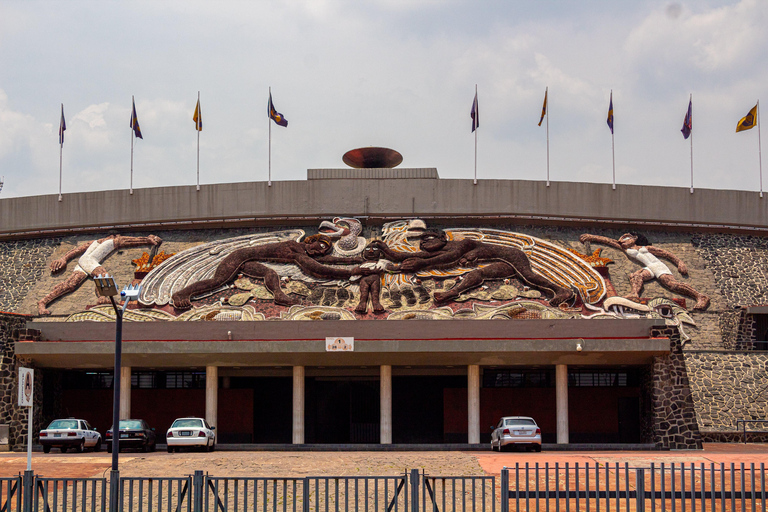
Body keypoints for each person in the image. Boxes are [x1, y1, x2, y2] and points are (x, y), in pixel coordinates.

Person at [372, 230, 574, 306]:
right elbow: (407, 255)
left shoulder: (463, 243)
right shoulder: (435, 253)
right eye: (422, 242)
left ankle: (561, 291)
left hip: (512, 256)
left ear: (442, 238)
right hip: (499, 265)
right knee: (479, 273)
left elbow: (453, 256)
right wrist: (384, 248)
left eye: (428, 239)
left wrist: (423, 263)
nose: (424, 245)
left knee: (528, 277)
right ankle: (451, 293)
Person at [171, 234, 373, 309]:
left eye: (323, 250)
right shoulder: (296, 249)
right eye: (319, 246)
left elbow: (330, 260)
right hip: (239, 257)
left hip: (249, 262)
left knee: (270, 274)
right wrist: (351, 272)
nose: (320, 251)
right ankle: (181, 293)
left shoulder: (304, 252)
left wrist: (357, 259)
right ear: (311, 242)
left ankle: (279, 296)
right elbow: (317, 268)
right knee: (217, 281)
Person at [579, 231, 710, 310]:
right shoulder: (625, 249)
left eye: (625, 238)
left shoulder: (645, 248)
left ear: (634, 238)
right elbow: (609, 241)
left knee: (672, 285)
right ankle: (634, 295)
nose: (622, 240)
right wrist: (591, 237)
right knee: (636, 276)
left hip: (658, 267)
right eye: (621, 239)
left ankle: (700, 296)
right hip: (649, 268)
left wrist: (680, 263)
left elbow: (666, 254)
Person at [38, 234, 163, 315]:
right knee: (102, 274)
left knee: (71, 284)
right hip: (86, 260)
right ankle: (103, 297)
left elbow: (127, 240)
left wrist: (146, 240)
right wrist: (63, 259)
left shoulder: (109, 242)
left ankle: (43, 302)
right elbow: (76, 250)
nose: (116, 238)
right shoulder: (99, 242)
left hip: (83, 264)